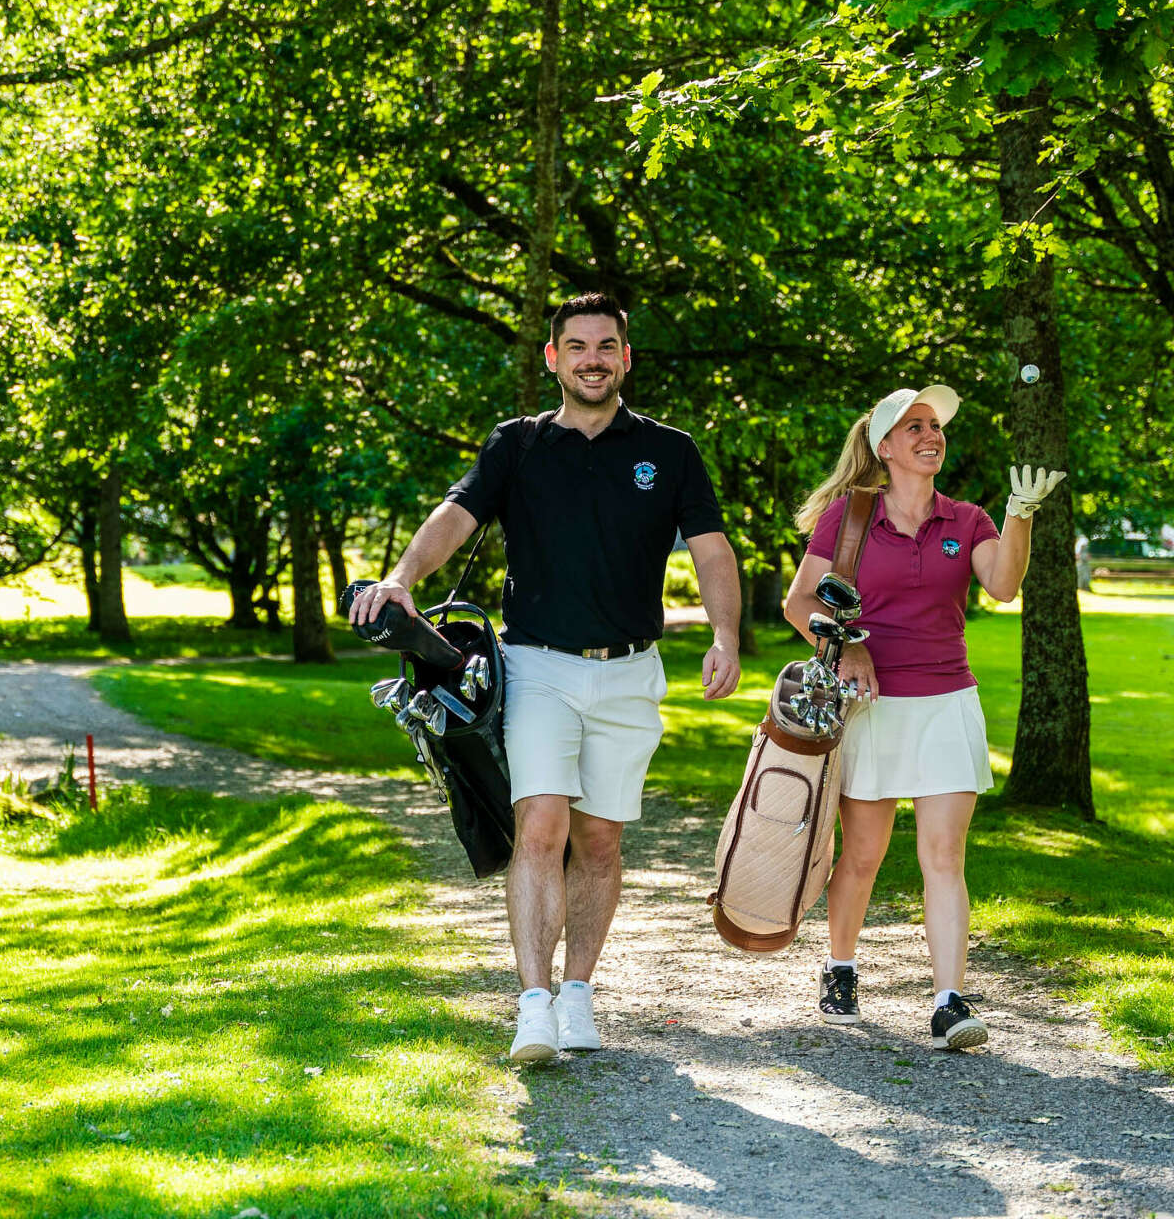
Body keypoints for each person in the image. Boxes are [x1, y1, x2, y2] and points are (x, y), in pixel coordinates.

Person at [352, 293, 743, 1064]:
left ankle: (577, 997)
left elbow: (711, 549)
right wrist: (401, 576)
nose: (592, 358)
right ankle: (532, 1006)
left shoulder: (670, 450)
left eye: (606, 346)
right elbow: (456, 514)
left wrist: (725, 632)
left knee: (599, 840)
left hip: (631, 673)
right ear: (552, 358)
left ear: (625, 359)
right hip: (535, 668)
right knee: (540, 825)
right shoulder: (517, 445)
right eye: (576, 346)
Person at [783, 385, 1062, 1050]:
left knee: (944, 855)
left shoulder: (966, 519)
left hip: (946, 704)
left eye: (935, 426)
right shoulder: (849, 518)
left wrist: (1019, 516)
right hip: (871, 708)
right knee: (864, 855)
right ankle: (841, 967)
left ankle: (947, 1001)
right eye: (914, 427)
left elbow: (1002, 585)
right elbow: (800, 606)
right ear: (884, 447)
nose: (930, 435)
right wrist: (851, 649)